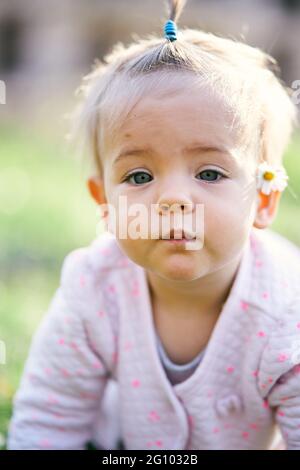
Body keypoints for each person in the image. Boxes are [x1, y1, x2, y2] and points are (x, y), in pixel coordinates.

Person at [7, 0, 300, 450]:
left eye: (209, 173)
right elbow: (47, 420)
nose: (173, 199)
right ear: (105, 203)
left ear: (262, 199)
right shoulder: (94, 289)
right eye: (139, 176)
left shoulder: (287, 312)